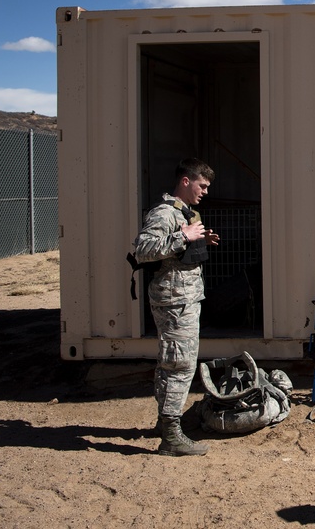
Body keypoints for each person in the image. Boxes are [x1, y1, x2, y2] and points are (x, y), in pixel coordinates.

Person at [133, 158, 220, 456]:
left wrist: (199, 241)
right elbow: (143, 249)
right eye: (202, 185)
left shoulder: (184, 213)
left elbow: (173, 252)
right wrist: (184, 235)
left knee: (171, 362)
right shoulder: (163, 213)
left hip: (183, 299)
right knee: (179, 365)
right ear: (186, 181)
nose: (205, 192)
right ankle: (171, 436)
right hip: (174, 302)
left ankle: (165, 424)